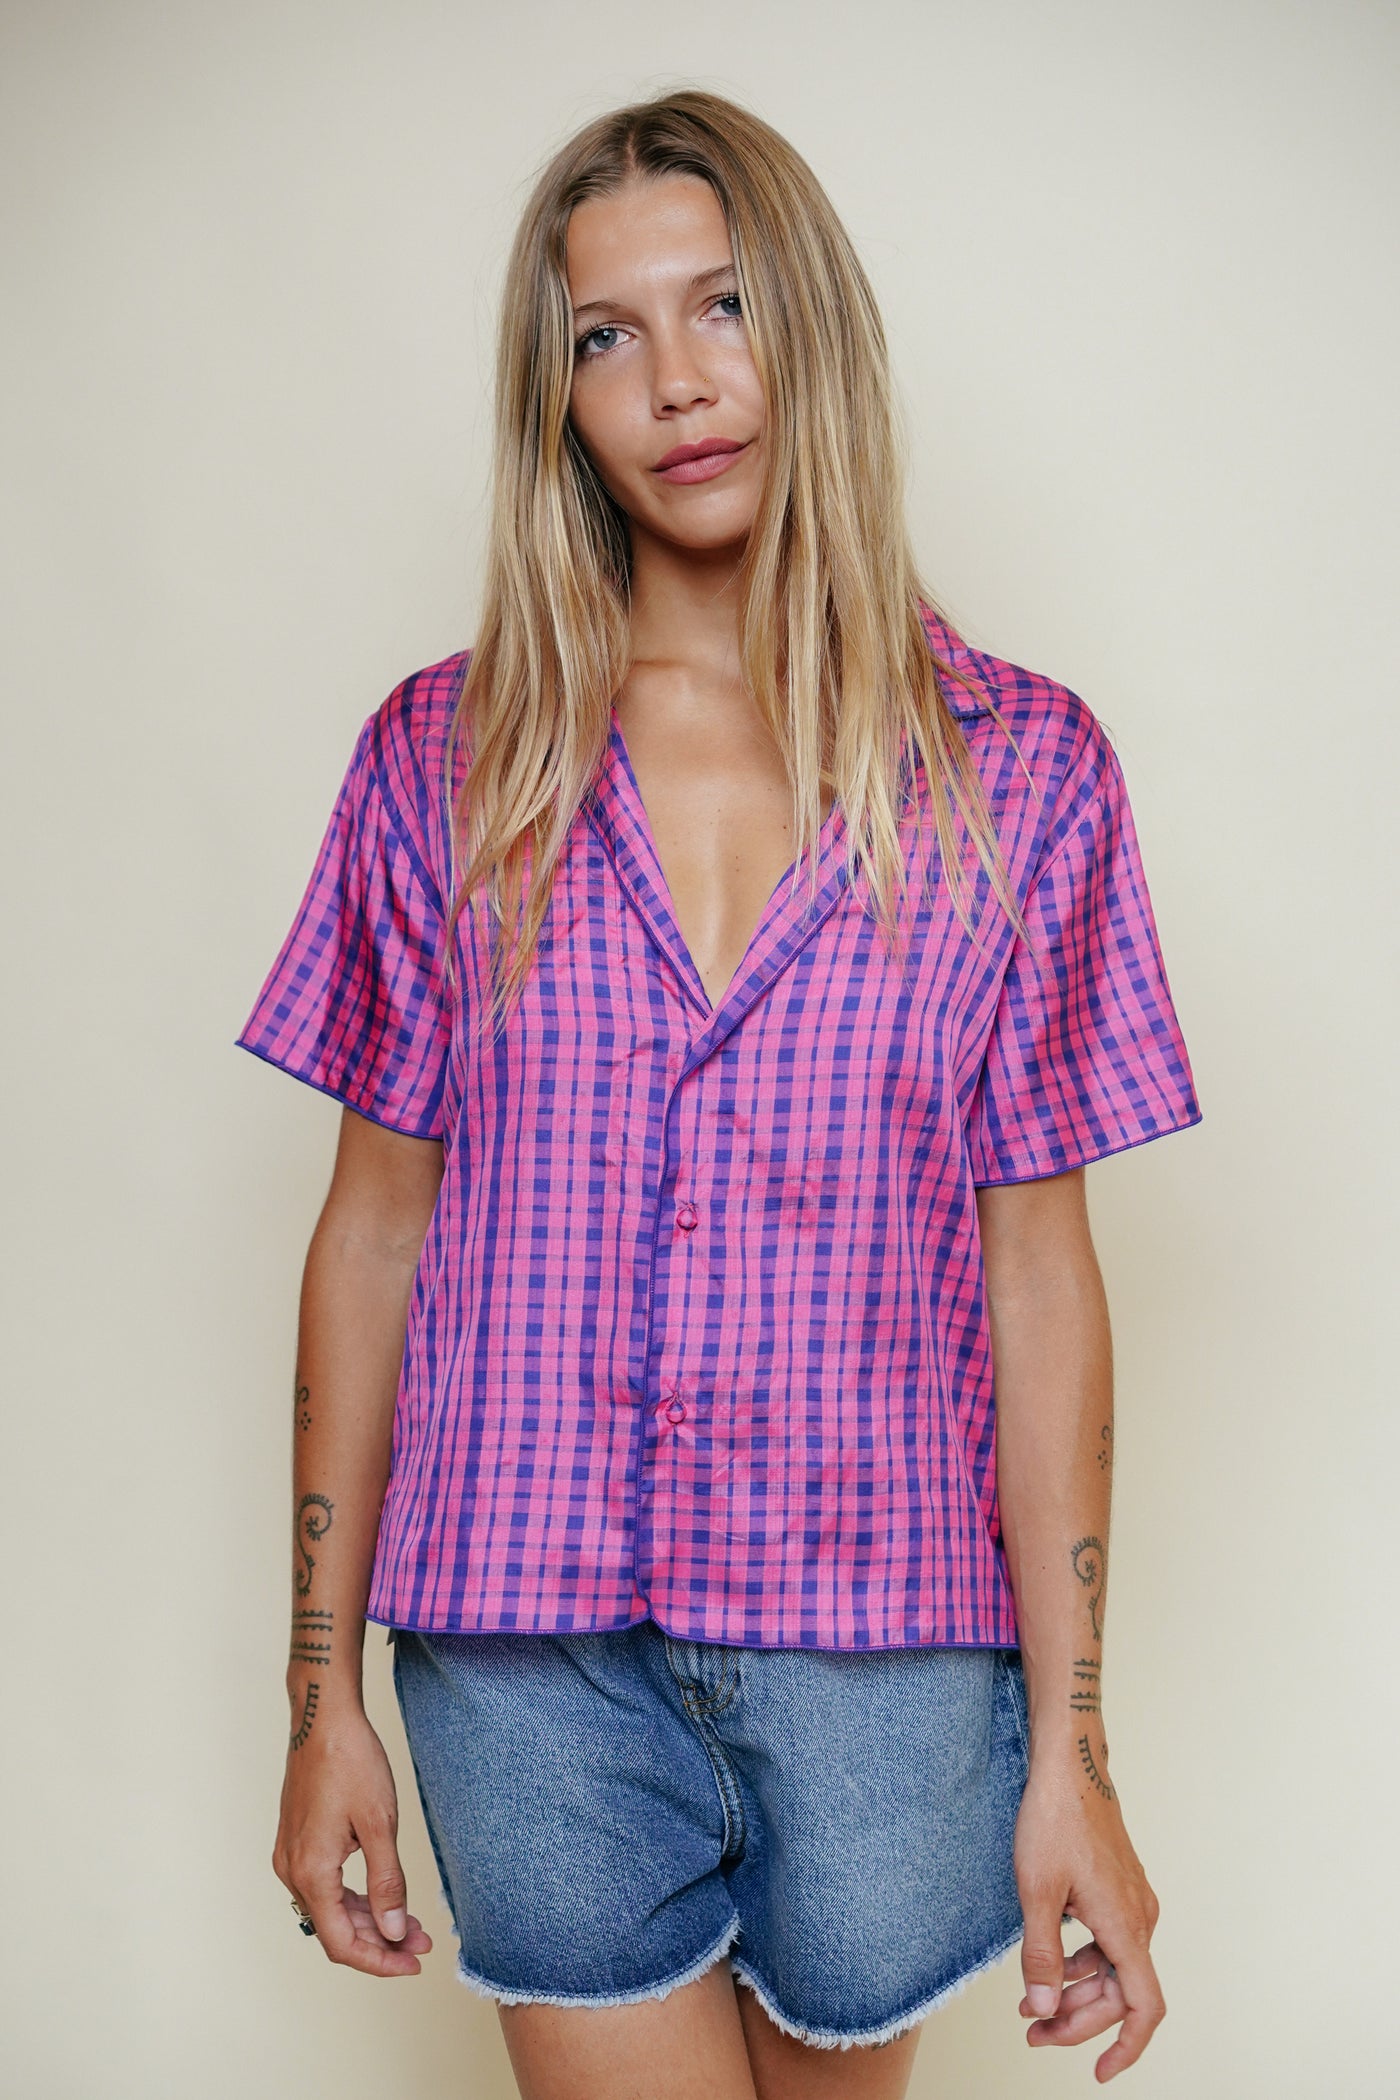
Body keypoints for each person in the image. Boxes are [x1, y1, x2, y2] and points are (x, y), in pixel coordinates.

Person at [237, 88, 1200, 2100]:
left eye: (725, 305)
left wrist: (1078, 1753)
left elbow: (1042, 1278)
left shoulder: (1024, 774)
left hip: (886, 1659)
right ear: (560, 400)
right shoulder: (442, 760)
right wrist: (320, 1695)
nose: (675, 380)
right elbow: (373, 1233)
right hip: (525, 1650)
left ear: (811, 330)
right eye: (606, 334)